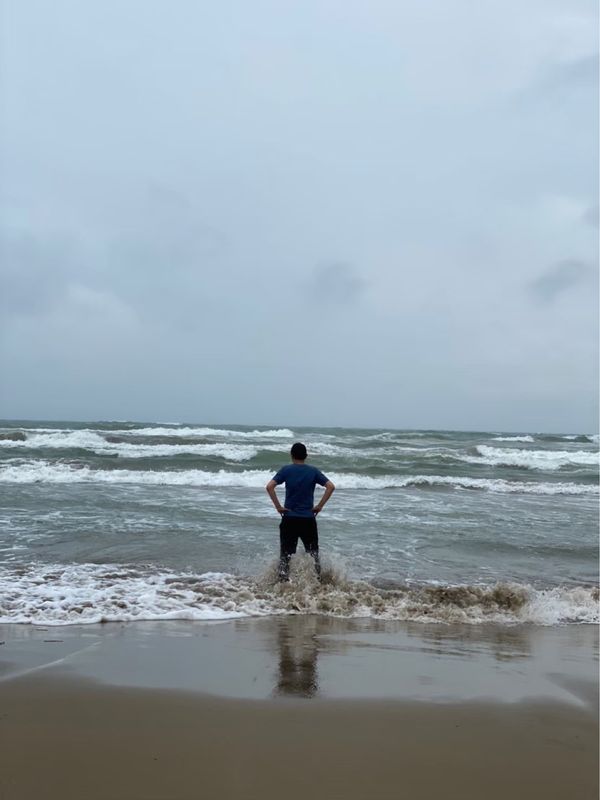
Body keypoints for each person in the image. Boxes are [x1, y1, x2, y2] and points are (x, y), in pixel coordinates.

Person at [266, 442, 335, 581]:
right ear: (306, 456)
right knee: (313, 554)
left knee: (285, 556)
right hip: (308, 519)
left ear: (291, 455)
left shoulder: (286, 470)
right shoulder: (313, 471)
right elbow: (330, 487)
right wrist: (319, 506)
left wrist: (278, 507)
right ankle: (317, 583)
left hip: (289, 518)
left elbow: (269, 487)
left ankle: (282, 585)